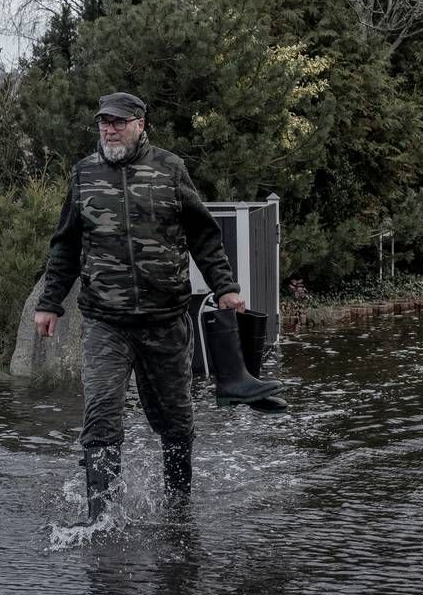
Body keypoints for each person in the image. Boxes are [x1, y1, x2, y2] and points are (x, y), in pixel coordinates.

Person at [34, 91, 279, 521]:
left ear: (140, 124)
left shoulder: (170, 169)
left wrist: (225, 286)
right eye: (103, 122)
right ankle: (101, 518)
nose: (109, 129)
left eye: (118, 122)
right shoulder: (84, 174)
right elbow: (66, 245)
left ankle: (178, 508)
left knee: (177, 422)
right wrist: (49, 303)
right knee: (101, 415)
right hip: (105, 322)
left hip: (165, 321)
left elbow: (203, 234)